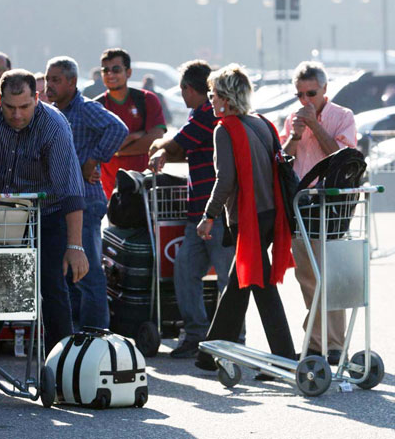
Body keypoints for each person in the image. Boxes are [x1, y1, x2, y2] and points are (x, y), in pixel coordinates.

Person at [0, 69, 88, 390]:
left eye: (24, 106)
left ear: (36, 99)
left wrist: (76, 246)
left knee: (52, 289)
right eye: (10, 107)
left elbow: (70, 191)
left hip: (49, 212)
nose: (17, 114)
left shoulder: (54, 125)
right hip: (4, 211)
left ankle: (61, 371)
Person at [194, 64, 296, 376]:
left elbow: (225, 181)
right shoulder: (262, 123)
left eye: (213, 95)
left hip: (247, 217)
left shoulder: (224, 129)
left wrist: (208, 216)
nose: (210, 101)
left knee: (260, 286)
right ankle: (210, 353)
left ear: (226, 98)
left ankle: (286, 359)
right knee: (241, 284)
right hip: (270, 214)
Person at [148, 60, 235, 358]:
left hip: (219, 213)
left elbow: (176, 145)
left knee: (227, 279)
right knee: (185, 270)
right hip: (198, 212)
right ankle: (197, 336)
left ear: (187, 89)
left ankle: (231, 342)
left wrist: (159, 146)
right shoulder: (201, 113)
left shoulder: (207, 114)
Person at [280, 61, 357, 365]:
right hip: (302, 203)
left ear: (325, 89)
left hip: (331, 203)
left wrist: (314, 125)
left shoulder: (342, 116)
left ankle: (334, 345)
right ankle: (316, 343)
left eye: (311, 93)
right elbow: (283, 158)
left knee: (330, 276)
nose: (305, 101)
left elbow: (342, 157)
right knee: (307, 277)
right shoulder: (293, 117)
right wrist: (295, 136)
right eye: (299, 94)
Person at [45, 56, 127, 330]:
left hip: (87, 204)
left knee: (88, 272)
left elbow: (118, 128)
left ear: (72, 82)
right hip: (61, 204)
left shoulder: (84, 109)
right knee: (68, 273)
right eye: (47, 79)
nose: (49, 86)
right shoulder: (52, 112)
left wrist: (92, 162)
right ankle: (75, 333)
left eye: (55, 80)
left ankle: (96, 335)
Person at [94, 48, 166, 198]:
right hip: (110, 191)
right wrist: (135, 136)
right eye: (105, 70)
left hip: (145, 186)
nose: (110, 74)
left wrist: (116, 151)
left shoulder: (147, 99)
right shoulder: (96, 106)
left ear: (128, 72)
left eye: (116, 69)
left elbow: (156, 140)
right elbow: (96, 148)